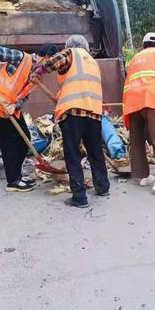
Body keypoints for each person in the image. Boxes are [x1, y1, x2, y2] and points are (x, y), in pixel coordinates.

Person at [31, 35, 110, 208]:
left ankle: (79, 197)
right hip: (94, 112)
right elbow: (77, 86)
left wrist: (38, 71)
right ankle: (103, 187)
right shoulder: (92, 62)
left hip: (73, 112)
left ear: (70, 45)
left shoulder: (71, 53)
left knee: (73, 153)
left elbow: (50, 63)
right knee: (95, 150)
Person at [0, 43, 58, 192]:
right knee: (9, 141)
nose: (50, 69)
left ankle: (17, 175)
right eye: (52, 63)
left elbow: (24, 95)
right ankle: (13, 181)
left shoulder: (37, 74)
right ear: (47, 57)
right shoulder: (21, 58)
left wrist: (14, 106)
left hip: (10, 108)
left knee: (25, 139)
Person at [123, 32, 155, 193]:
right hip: (152, 99)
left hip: (133, 102)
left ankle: (144, 176)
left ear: (143, 45)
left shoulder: (134, 59)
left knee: (137, 141)